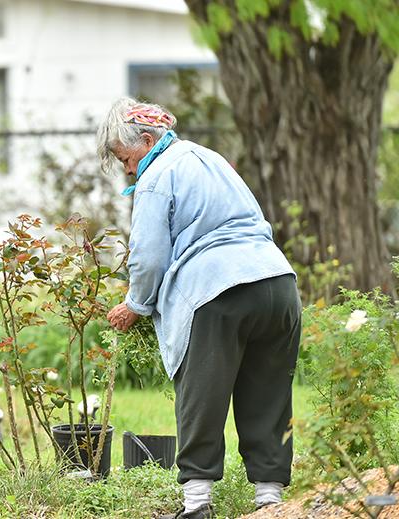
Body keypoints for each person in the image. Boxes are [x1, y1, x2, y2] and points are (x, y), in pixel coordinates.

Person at [97, 97, 301, 519]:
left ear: (148, 141)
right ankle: (270, 501)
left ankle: (197, 504)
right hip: (277, 283)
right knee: (270, 394)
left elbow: (149, 256)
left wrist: (136, 303)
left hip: (217, 290)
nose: (127, 169)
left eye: (124, 158)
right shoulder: (209, 158)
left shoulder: (157, 175)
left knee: (201, 396)